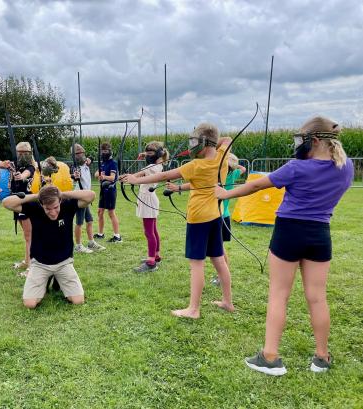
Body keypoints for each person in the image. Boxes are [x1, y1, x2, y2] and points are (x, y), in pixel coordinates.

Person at [216, 116, 353, 376]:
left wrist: (225, 194)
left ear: (314, 140)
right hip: (319, 234)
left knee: (279, 294)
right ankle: (322, 357)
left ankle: (270, 357)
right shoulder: (345, 167)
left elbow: (257, 184)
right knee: (317, 297)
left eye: (301, 140)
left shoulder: (296, 167)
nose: (298, 144)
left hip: (289, 231)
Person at [122, 123, 234, 318]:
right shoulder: (222, 156)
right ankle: (227, 302)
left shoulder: (195, 165)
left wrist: (135, 180)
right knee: (218, 260)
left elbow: (165, 175)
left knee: (196, 264)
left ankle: (193, 309)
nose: (192, 146)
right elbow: (227, 139)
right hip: (215, 216)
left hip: (198, 219)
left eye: (195, 141)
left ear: (203, 143)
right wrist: (212, 145)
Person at [2, 185, 95, 308]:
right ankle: (47, 279)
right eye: (48, 208)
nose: (53, 212)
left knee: (78, 301)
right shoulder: (34, 207)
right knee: (30, 304)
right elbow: (6, 202)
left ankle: (57, 279)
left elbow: (91, 195)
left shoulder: (67, 205)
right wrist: (38, 196)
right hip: (40, 264)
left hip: (64, 262)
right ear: (41, 204)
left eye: (55, 207)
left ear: (60, 201)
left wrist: (61, 194)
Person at [0, 141, 36, 277]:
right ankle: (27, 261)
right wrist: (4, 164)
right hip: (17, 201)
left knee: (30, 236)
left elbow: (26, 174)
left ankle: (32, 267)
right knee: (26, 235)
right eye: (19, 152)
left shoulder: (31, 166)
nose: (22, 155)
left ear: (30, 153)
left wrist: (20, 176)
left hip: (27, 202)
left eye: (25, 152)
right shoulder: (14, 163)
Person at [132, 142, 169, 272]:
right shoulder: (158, 165)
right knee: (153, 230)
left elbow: (136, 176)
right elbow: (153, 157)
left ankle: (151, 262)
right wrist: (145, 154)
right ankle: (156, 256)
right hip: (149, 199)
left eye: (150, 153)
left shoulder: (151, 167)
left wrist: (125, 177)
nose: (148, 155)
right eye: (147, 153)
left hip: (148, 200)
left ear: (157, 154)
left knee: (149, 232)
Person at [211, 153, 246, 286]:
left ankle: (222, 276)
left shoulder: (219, 176)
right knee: (219, 248)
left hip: (219, 216)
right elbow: (243, 169)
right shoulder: (234, 173)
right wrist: (235, 165)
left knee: (218, 249)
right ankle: (222, 274)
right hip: (224, 215)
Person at [71, 143, 105, 253]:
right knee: (79, 222)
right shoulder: (75, 168)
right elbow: (74, 175)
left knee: (89, 220)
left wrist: (89, 158)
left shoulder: (85, 163)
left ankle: (91, 242)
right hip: (80, 198)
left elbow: (91, 158)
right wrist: (75, 176)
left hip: (86, 198)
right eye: (78, 153)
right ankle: (78, 246)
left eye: (82, 152)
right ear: (74, 156)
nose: (81, 155)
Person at [94, 141, 122, 243]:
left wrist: (103, 176)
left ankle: (117, 236)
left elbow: (112, 178)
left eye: (105, 151)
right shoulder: (103, 163)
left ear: (110, 151)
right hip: (103, 190)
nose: (103, 153)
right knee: (100, 211)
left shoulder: (113, 163)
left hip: (110, 190)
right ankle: (100, 234)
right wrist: (99, 175)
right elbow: (96, 174)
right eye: (102, 151)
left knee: (111, 213)